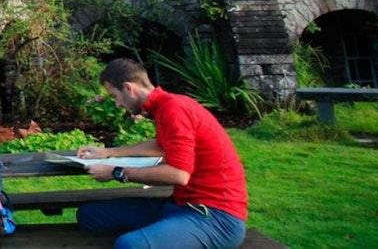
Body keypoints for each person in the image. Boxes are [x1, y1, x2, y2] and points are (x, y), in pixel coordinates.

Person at [75, 57, 248, 249]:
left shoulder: (175, 108)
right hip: (180, 205)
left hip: (215, 216)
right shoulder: (165, 106)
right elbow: (161, 145)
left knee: (129, 245)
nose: (117, 104)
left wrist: (117, 172)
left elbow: (179, 174)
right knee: (89, 216)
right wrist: (107, 152)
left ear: (128, 88)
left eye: (115, 96)